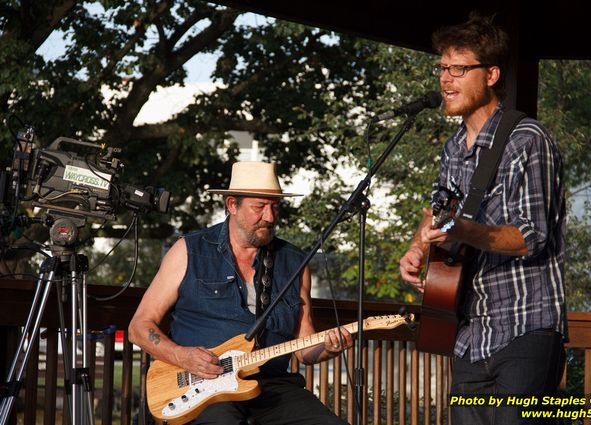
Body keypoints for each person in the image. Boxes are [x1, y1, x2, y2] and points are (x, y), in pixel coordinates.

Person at [399, 14, 567, 424]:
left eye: (459, 69)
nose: (446, 79)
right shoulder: (454, 147)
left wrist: (460, 230)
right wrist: (419, 245)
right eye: (442, 68)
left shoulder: (527, 140)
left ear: (491, 74)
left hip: (525, 326)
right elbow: (439, 210)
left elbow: (531, 237)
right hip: (471, 332)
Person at [129, 161, 352, 425]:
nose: (270, 217)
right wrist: (182, 356)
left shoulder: (294, 263)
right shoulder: (189, 250)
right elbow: (139, 327)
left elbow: (305, 349)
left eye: (275, 207)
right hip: (202, 384)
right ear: (232, 205)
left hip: (272, 386)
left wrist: (328, 348)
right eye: (259, 207)